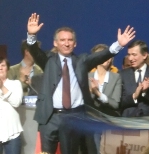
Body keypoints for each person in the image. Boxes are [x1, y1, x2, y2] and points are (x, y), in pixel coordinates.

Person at [26, 13, 135, 154]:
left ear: (75, 43)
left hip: (73, 117)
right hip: (50, 117)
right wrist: (31, 35)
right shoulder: (48, 60)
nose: (66, 43)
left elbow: (101, 56)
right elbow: (34, 51)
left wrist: (118, 45)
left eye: (70, 40)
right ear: (55, 43)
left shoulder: (82, 61)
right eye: (63, 40)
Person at [89, 44, 122, 154]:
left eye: (108, 56)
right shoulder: (87, 76)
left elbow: (115, 104)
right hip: (91, 122)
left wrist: (98, 93)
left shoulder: (116, 77)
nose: (106, 59)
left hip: (109, 122)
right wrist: (91, 92)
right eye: (102, 56)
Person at [120, 40, 149, 117]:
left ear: (145, 55)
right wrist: (134, 96)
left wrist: (146, 92)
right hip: (128, 120)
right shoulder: (123, 74)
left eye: (134, 55)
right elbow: (119, 101)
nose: (130, 58)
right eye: (129, 54)